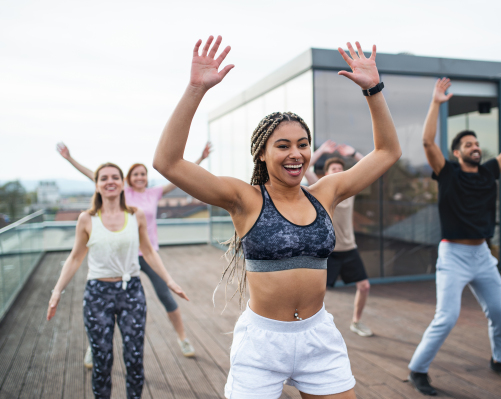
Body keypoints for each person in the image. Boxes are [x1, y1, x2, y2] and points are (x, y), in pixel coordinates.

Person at [153, 35, 401, 399]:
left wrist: (374, 90)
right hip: (262, 344)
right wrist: (195, 89)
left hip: (318, 338)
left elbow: (388, 151)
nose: (296, 154)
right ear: (262, 154)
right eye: (283, 146)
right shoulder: (245, 200)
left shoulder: (326, 194)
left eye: (302, 144)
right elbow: (168, 162)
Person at [407, 78, 501, 395]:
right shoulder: (447, 173)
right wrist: (436, 102)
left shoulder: (489, 171)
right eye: (469, 145)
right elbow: (426, 141)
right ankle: (418, 370)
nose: (475, 147)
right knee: (447, 318)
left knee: (500, 313)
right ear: (457, 152)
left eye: (477, 144)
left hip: (483, 256)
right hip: (453, 256)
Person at [56, 142, 210, 363]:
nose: (139, 177)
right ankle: (94, 346)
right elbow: (95, 175)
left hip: (147, 254)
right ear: (128, 178)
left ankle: (182, 338)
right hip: (123, 256)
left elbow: (177, 178)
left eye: (143, 174)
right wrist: (69, 158)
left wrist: (200, 159)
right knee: (102, 308)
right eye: (135, 174)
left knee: (166, 296)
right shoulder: (123, 192)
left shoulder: (154, 193)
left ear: (147, 178)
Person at [47, 162, 188, 399]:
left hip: (131, 291)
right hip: (97, 293)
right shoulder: (87, 219)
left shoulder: (136, 215)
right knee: (102, 360)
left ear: (123, 183)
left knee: (134, 359)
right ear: (97, 185)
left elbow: (149, 251)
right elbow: (75, 257)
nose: (110, 181)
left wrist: (169, 280)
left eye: (115, 177)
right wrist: (56, 291)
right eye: (104, 178)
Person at [305, 140, 373, 337]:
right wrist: (321, 151)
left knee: (365, 286)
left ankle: (356, 322)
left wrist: (353, 153)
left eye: (340, 169)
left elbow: (370, 167)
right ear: (326, 174)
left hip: (349, 249)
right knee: (315, 293)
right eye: (333, 168)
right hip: (327, 252)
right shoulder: (318, 188)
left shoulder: (349, 191)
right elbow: (306, 167)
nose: (337, 171)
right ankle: (308, 326)